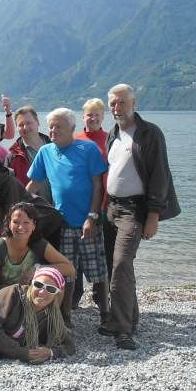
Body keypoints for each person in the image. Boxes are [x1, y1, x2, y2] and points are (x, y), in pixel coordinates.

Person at [103, 84, 180, 350]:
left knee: (121, 264)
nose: (117, 108)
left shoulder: (150, 133)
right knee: (116, 266)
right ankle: (130, 318)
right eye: (113, 103)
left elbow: (160, 174)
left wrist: (154, 215)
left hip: (134, 210)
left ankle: (122, 329)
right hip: (111, 208)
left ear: (133, 103)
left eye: (122, 102)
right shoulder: (113, 133)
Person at [26, 107, 108, 327]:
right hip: (61, 224)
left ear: (72, 128)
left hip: (88, 222)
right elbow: (33, 184)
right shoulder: (45, 152)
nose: (53, 130)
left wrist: (92, 216)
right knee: (66, 272)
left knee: (97, 270)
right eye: (51, 126)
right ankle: (65, 317)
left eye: (58, 127)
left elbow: (98, 184)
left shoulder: (88, 148)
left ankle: (106, 315)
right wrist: (20, 209)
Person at [0, 154, 63, 247]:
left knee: (47, 257)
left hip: (46, 221)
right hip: (26, 228)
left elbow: (11, 216)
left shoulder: (9, 183)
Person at [0, 202, 76, 299]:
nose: (20, 227)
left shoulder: (39, 244)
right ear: (9, 224)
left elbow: (70, 269)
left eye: (26, 222)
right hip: (4, 299)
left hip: (31, 297)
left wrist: (39, 270)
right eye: (16, 222)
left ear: (34, 225)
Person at [73, 98, 112, 311]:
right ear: (83, 117)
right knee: (78, 252)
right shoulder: (75, 139)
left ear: (103, 117)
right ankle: (75, 294)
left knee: (101, 253)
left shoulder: (109, 139)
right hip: (79, 205)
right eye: (89, 114)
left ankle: (101, 296)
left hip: (104, 205)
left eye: (97, 114)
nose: (93, 118)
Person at [4, 101, 50, 188]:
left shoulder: (55, 147)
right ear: (17, 128)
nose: (25, 127)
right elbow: (7, 186)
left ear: (37, 122)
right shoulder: (13, 157)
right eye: (21, 125)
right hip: (28, 197)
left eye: (28, 123)